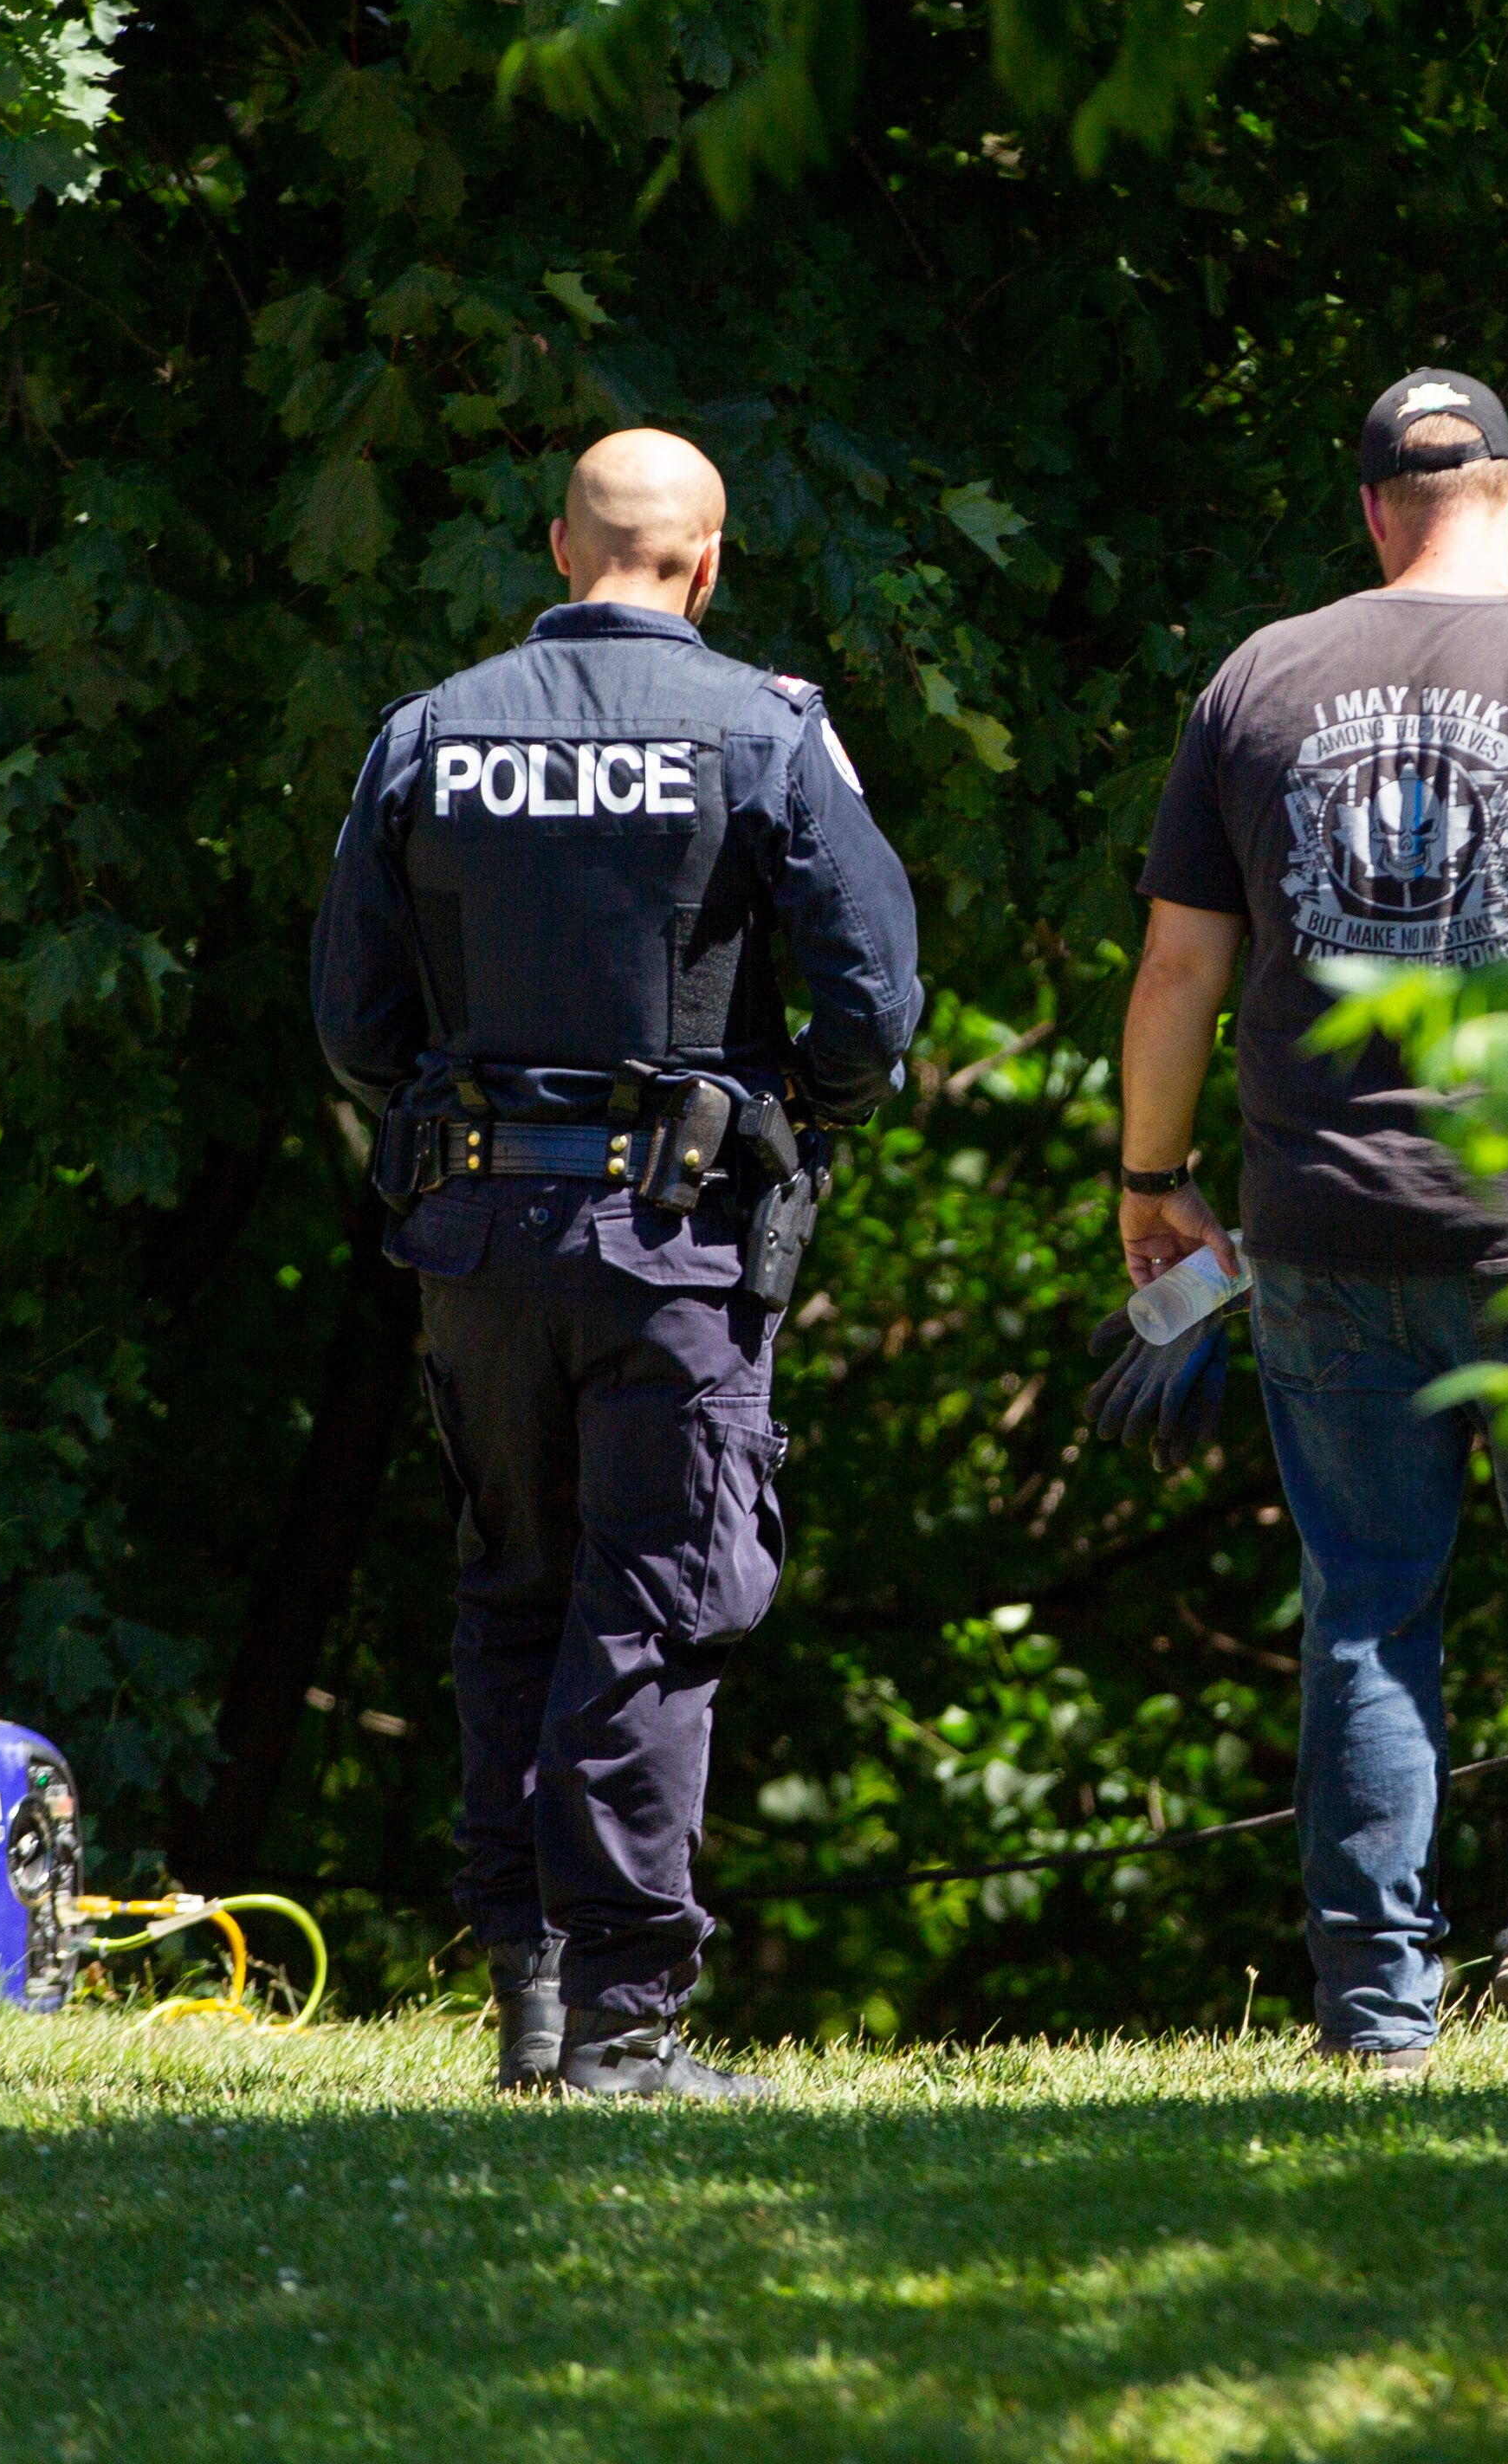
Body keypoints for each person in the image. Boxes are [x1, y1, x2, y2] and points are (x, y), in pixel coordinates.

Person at [1116, 369, 1508, 2073]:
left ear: (1373, 508)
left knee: (1371, 1595)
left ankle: (1377, 2012)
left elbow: (1179, 967)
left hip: (1321, 1223)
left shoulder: (1259, 677)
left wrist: (1150, 1183)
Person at [314, 426, 921, 2100]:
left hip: (477, 1232)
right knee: (653, 1606)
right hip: (673, 1246)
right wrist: (788, 1109)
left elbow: (353, 1021)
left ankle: (530, 1998)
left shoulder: (427, 733)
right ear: (708, 564)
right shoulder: (766, 734)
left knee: (514, 1587)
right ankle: (628, 2033)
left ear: (559, 550)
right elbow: (875, 1003)